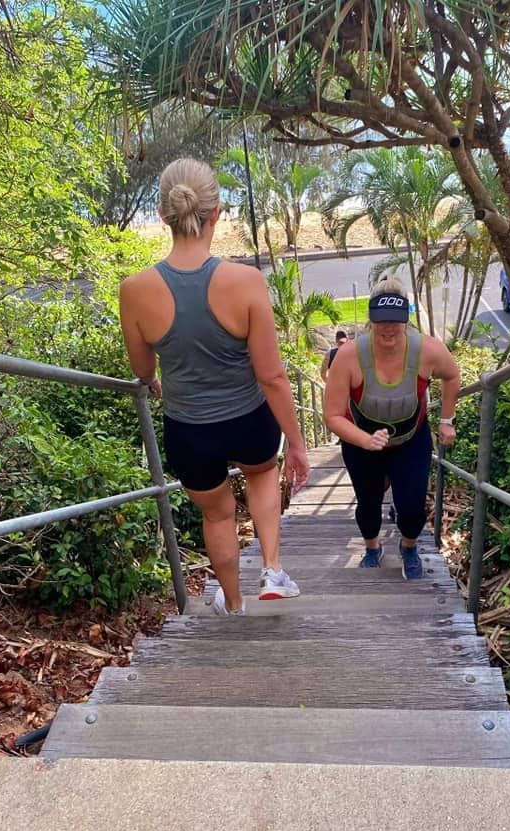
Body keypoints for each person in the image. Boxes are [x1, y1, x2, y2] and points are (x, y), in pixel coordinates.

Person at [119, 157, 310, 616]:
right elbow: (272, 376)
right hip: (249, 420)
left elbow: (143, 369)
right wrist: (299, 445)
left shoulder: (135, 289)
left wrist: (157, 382)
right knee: (263, 473)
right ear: (216, 213)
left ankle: (235, 602)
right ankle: (272, 569)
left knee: (218, 514)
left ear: (164, 216)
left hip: (188, 430)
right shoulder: (245, 282)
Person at [323, 276, 460, 579]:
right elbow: (331, 415)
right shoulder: (348, 356)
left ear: (406, 320)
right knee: (368, 503)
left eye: (395, 322)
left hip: (411, 439)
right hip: (362, 443)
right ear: (371, 320)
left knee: (411, 506)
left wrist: (446, 420)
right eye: (381, 321)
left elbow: (452, 375)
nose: (388, 329)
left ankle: (409, 546)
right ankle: (373, 548)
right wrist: (364, 439)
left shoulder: (426, 350)